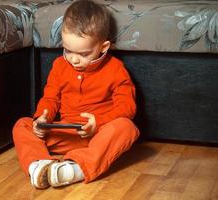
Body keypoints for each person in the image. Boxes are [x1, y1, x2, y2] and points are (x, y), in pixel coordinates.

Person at [12, 0, 139, 189]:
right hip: (67, 133)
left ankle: (75, 168)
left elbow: (127, 107)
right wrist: (42, 118)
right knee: (22, 125)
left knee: (127, 128)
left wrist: (99, 123)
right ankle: (39, 166)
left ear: (103, 47)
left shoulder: (116, 69)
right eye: (68, 50)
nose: (74, 59)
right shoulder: (59, 66)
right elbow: (50, 98)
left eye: (84, 54)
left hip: (99, 136)